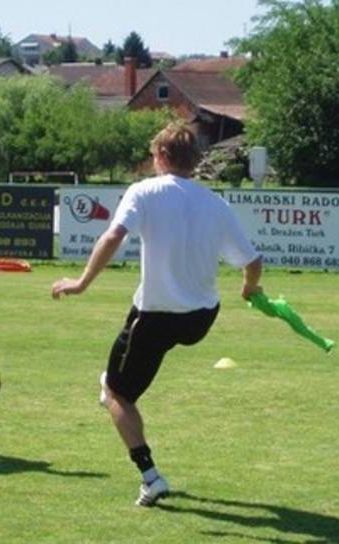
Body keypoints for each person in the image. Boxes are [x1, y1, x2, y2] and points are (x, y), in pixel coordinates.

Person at [51, 123, 263, 506]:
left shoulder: (145, 191)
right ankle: (114, 384)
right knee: (125, 372)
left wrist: (81, 282)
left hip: (157, 318)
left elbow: (113, 236)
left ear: (162, 156)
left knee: (116, 394)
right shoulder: (216, 203)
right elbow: (252, 261)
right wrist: (249, 289)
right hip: (201, 318)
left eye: (153, 156)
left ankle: (150, 477)